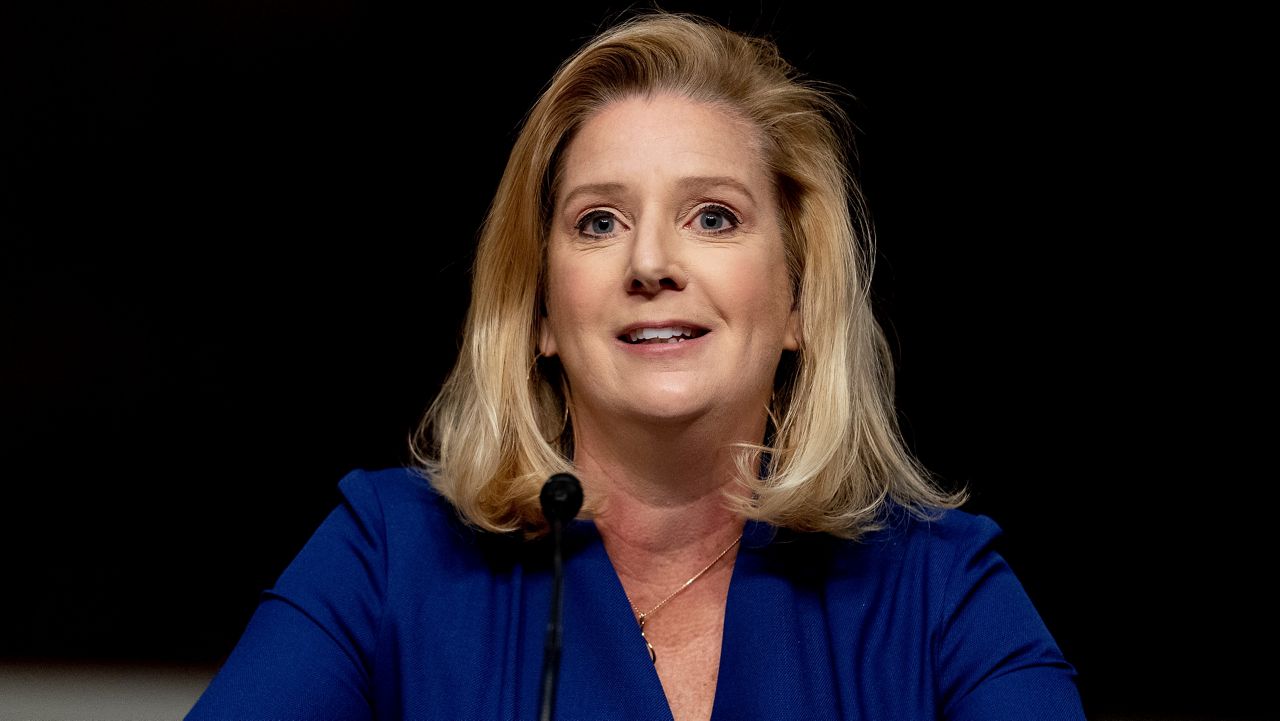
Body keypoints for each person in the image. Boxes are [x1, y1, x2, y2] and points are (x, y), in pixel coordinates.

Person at [186, 11, 1085, 721]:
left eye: (714, 217)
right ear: (541, 308)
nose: (651, 262)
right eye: (598, 222)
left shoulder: (939, 587)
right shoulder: (386, 556)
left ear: (800, 301)